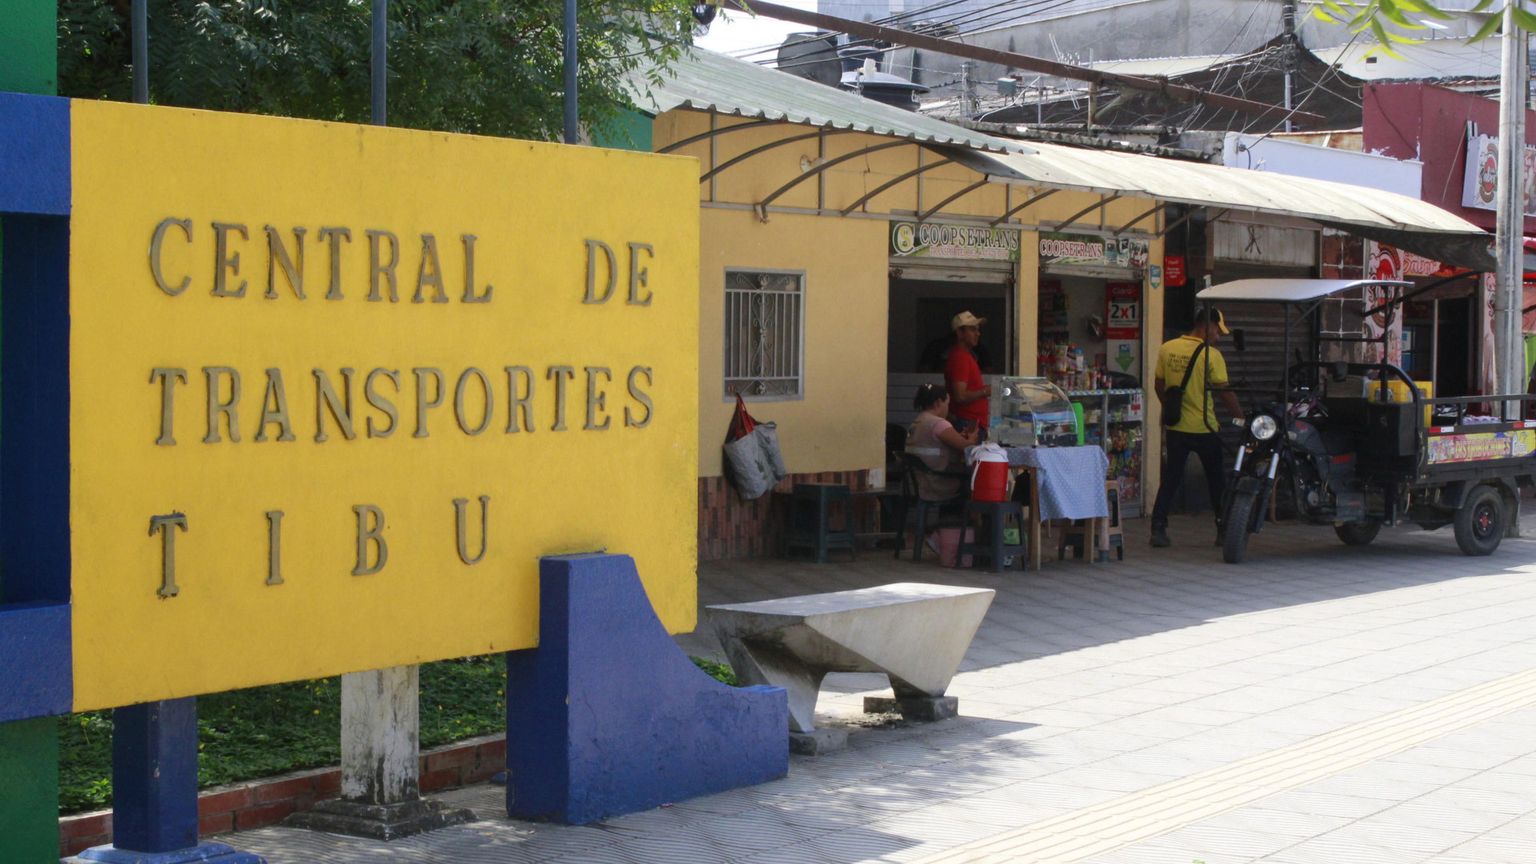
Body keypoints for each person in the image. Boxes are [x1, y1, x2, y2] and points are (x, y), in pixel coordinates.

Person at [1150, 306, 1244, 548]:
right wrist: (1240, 418)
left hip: (1176, 428)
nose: (1218, 337)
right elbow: (1225, 392)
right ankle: (1223, 529)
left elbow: (1159, 384)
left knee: (1171, 478)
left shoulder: (1167, 348)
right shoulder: (1212, 355)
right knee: (1216, 480)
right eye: (1217, 331)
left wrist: (1171, 407)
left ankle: (1157, 529)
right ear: (1207, 326)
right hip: (1205, 427)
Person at [906, 383, 978, 501]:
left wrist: (959, 436)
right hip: (936, 483)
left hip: (918, 483)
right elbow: (967, 448)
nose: (948, 408)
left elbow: (934, 442)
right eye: (947, 404)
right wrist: (972, 438)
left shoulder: (918, 422)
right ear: (938, 402)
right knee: (975, 476)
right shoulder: (938, 423)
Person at [945, 311, 991, 433]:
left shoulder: (966, 356)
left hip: (970, 422)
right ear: (959, 333)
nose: (977, 333)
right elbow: (960, 396)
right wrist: (985, 391)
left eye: (978, 330)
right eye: (972, 329)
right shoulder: (960, 357)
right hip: (966, 422)